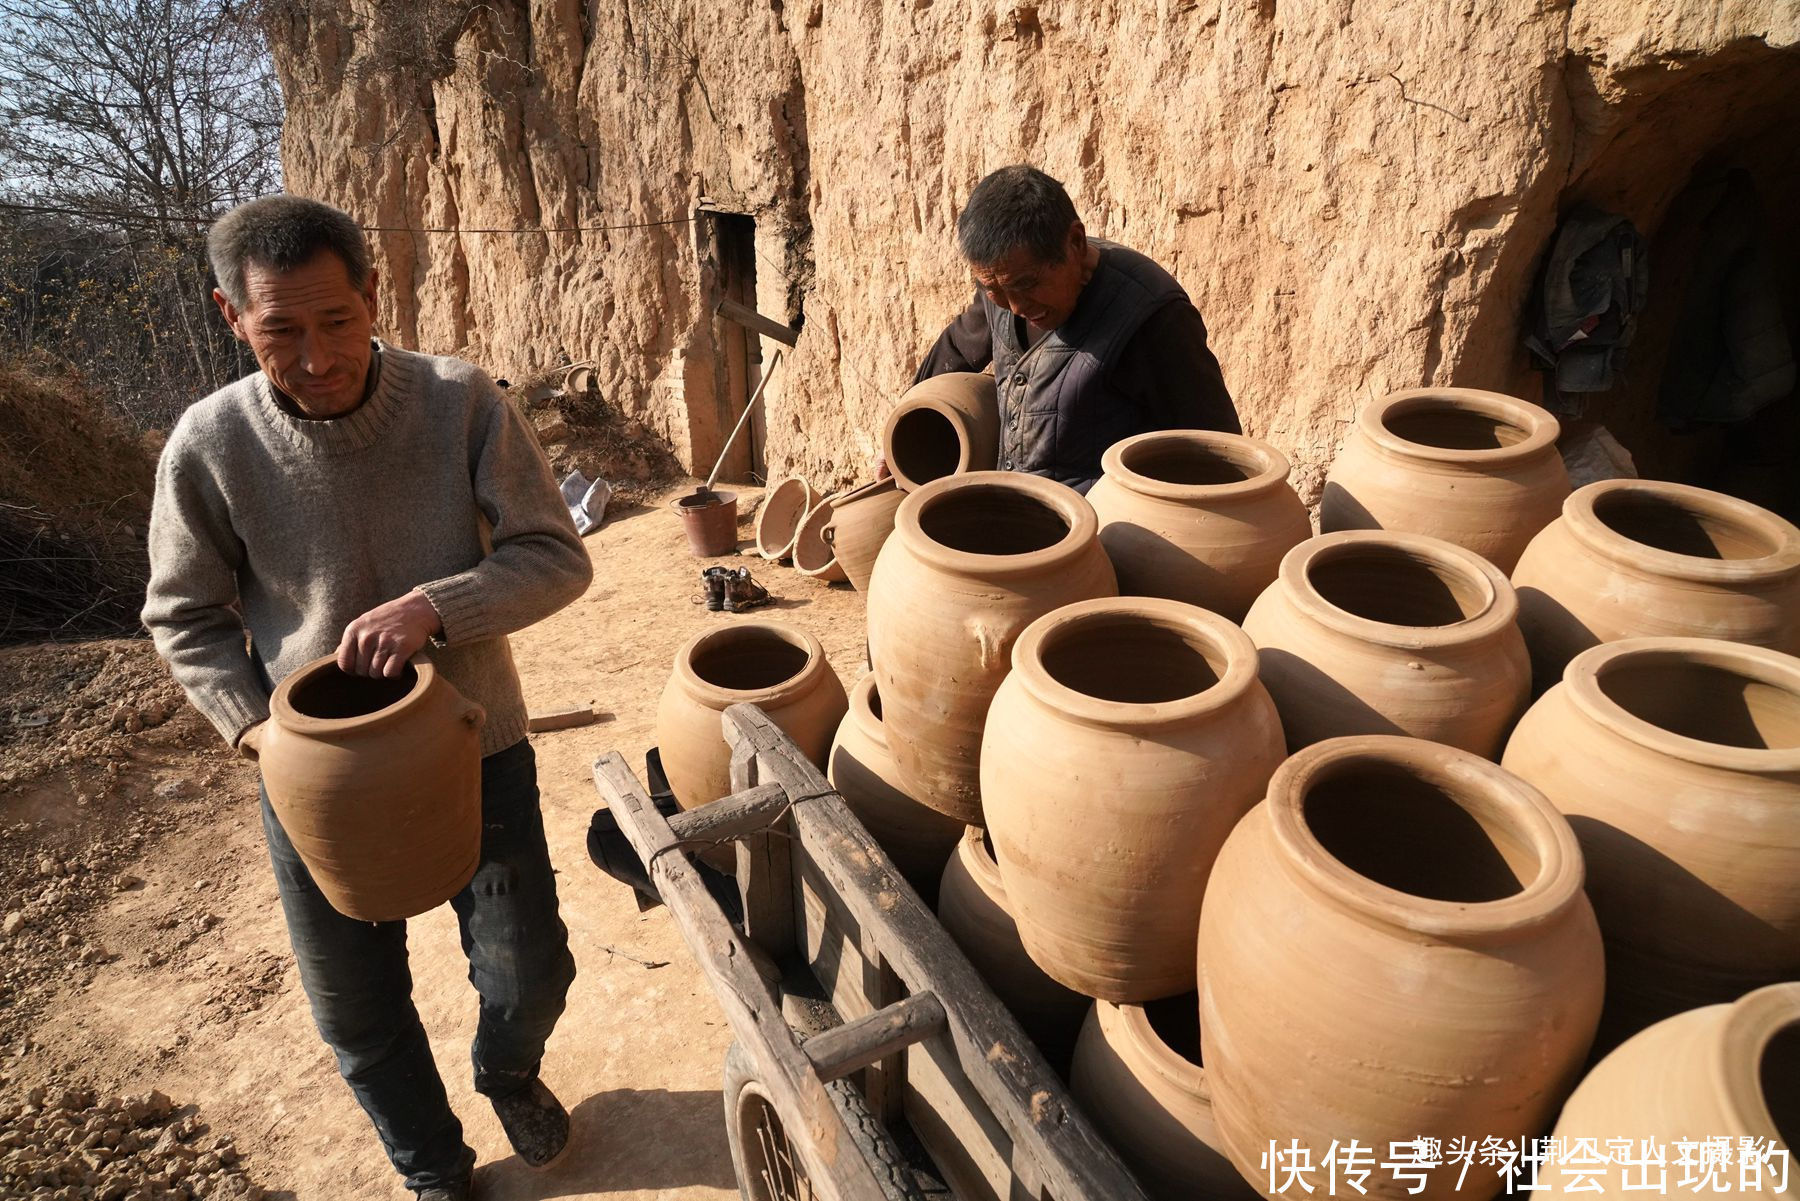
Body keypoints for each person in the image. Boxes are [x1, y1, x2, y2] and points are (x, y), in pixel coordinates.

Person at [142, 195, 593, 1201]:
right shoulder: (208, 444)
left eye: (337, 322)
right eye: (279, 332)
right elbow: (185, 616)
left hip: (475, 745)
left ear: (373, 295)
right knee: (356, 1012)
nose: (314, 358)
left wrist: (438, 606)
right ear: (231, 316)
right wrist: (257, 729)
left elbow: (554, 559)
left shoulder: (460, 400)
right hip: (310, 775)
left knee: (531, 976)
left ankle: (506, 1071)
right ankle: (434, 1168)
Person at [912, 165, 1241, 492]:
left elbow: (1218, 453)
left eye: (1027, 285)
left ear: (1076, 243)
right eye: (994, 290)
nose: (1015, 307)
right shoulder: (1004, 278)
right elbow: (957, 348)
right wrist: (908, 424)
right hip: (1014, 517)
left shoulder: (1151, 318)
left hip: (1105, 533)